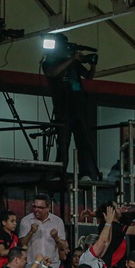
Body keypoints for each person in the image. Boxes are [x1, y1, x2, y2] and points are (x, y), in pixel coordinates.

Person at [41, 34, 101, 180]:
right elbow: (52, 72)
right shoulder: (50, 61)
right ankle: (59, 173)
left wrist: (92, 65)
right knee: (63, 141)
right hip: (62, 107)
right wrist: (72, 59)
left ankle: (85, 173)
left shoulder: (73, 63)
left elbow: (88, 76)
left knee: (83, 142)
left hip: (79, 106)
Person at [19, 194, 69, 268]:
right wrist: (31, 232)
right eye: (34, 207)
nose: (36, 210)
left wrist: (56, 238)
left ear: (48, 208)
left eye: (40, 207)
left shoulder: (57, 221)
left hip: (52, 267)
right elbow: (21, 244)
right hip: (31, 267)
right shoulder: (26, 220)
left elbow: (63, 247)